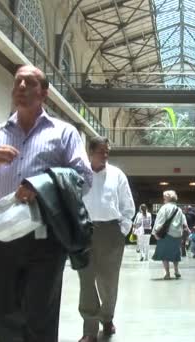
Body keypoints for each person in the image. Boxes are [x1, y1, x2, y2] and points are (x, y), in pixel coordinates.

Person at [0, 65, 93, 342]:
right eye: (18, 83)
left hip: (45, 237)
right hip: (1, 236)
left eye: (30, 82)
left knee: (40, 314)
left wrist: (42, 186)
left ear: (44, 93)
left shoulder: (64, 133)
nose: (22, 87)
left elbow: (83, 178)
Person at [78, 136, 135, 342]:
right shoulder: (80, 173)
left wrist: (122, 231)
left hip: (111, 233)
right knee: (86, 280)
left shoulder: (117, 175)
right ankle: (89, 329)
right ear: (90, 152)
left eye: (107, 151)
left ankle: (107, 318)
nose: (106, 155)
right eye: (102, 151)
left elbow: (128, 206)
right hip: (84, 232)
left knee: (108, 282)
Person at [152, 190, 188, 279]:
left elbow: (160, 221)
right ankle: (176, 270)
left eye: (164, 197)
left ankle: (167, 273)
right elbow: (184, 222)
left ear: (167, 198)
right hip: (177, 235)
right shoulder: (178, 209)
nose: (163, 198)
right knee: (176, 254)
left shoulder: (164, 208)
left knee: (165, 254)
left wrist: (155, 232)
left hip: (166, 234)